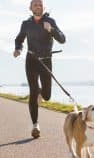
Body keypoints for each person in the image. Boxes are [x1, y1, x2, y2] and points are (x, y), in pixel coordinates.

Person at [13, 0, 66, 138]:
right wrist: (18, 49)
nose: (38, 6)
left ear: (43, 7)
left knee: (47, 95)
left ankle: (41, 94)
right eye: (35, 4)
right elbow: (19, 39)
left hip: (46, 61)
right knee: (33, 90)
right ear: (30, 8)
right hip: (31, 60)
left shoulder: (50, 21)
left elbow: (62, 39)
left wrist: (51, 30)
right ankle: (35, 125)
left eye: (40, 4)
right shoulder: (26, 24)